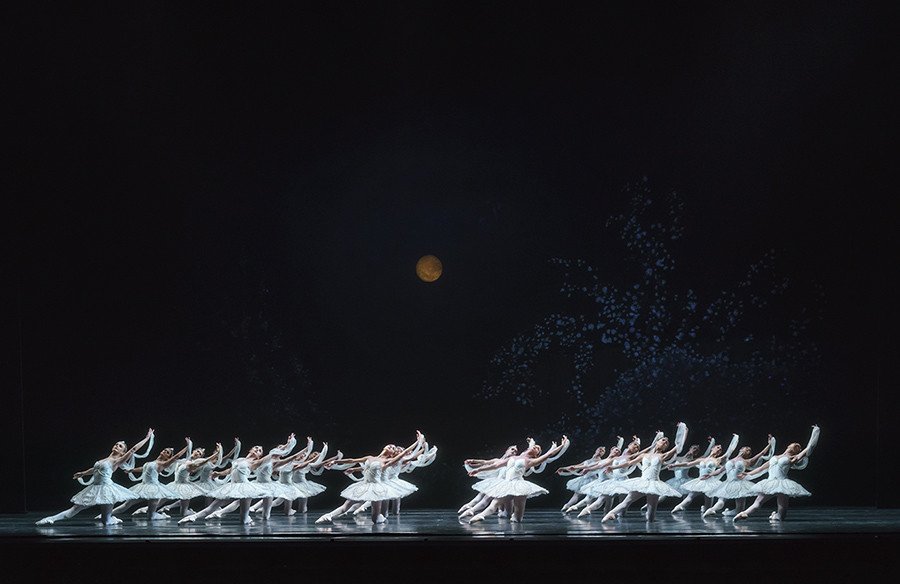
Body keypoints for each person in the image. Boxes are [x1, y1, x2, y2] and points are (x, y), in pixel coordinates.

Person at [36, 428, 155, 525]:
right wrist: (83, 473)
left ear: (123, 452)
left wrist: (147, 438)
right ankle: (51, 519)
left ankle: (112, 520)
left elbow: (134, 449)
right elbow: (94, 469)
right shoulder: (104, 459)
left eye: (120, 446)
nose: (116, 445)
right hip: (94, 487)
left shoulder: (117, 461)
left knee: (105, 521)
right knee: (75, 509)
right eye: (116, 444)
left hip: (107, 490)